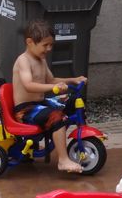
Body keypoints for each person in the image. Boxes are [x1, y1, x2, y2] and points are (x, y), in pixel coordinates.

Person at [12, 19, 87, 173]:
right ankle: (63, 160)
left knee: (72, 101)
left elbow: (51, 80)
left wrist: (73, 79)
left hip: (41, 103)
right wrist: (54, 88)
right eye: (45, 45)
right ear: (30, 42)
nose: (49, 48)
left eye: (51, 45)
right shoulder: (23, 61)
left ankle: (82, 138)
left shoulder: (41, 59)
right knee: (56, 116)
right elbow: (28, 84)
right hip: (25, 109)